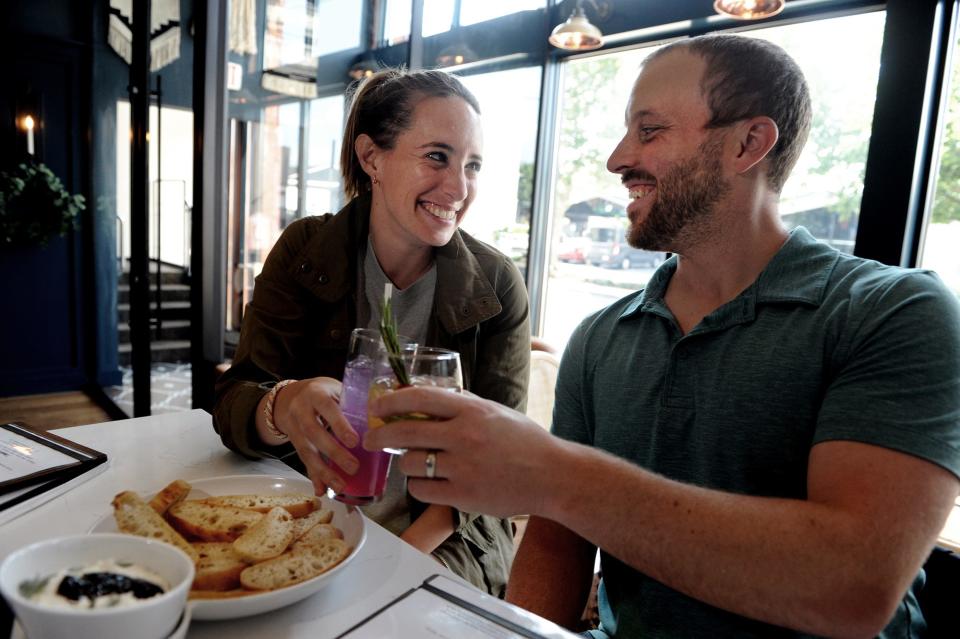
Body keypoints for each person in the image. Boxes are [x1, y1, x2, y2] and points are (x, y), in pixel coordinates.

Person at [365, 34, 960, 637]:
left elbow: (854, 589)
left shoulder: (894, 312)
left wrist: (553, 473)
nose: (618, 159)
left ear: (748, 144)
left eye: (649, 131)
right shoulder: (601, 337)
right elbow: (556, 549)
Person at [212, 68, 531, 597]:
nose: (458, 187)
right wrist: (282, 404)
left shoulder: (495, 285)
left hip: (447, 534)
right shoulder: (305, 253)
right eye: (437, 156)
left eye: (471, 165)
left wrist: (394, 556)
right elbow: (234, 401)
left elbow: (503, 461)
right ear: (371, 157)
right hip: (309, 514)